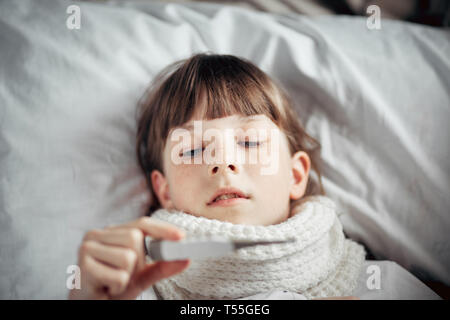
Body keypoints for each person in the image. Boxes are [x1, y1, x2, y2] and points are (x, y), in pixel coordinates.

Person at [69, 53, 441, 300]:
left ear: (296, 176)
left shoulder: (383, 287)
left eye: (249, 142)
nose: (224, 162)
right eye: (194, 150)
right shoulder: (131, 292)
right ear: (163, 191)